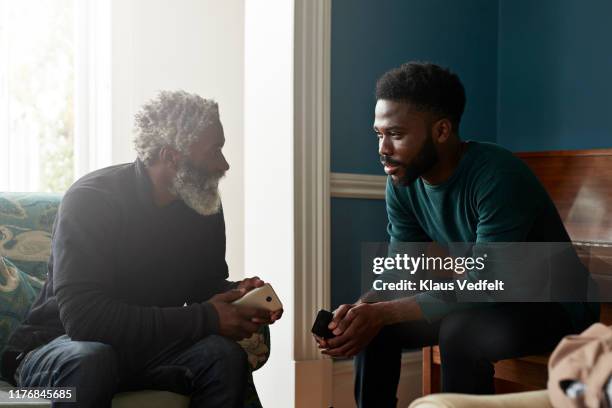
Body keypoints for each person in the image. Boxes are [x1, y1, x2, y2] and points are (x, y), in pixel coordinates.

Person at [314, 62, 599, 407]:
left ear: (442, 131)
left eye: (396, 134)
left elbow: (488, 282)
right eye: (379, 134)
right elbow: (401, 268)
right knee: (376, 327)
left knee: (461, 332)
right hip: (484, 299)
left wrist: (384, 311)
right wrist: (362, 310)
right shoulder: (403, 182)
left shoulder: (497, 174)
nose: (382, 149)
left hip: (552, 306)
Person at [0, 90, 282, 408]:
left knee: (223, 357)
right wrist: (206, 317)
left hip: (143, 349)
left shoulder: (203, 204)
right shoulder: (91, 200)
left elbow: (204, 286)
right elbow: (84, 322)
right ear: (171, 156)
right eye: (215, 150)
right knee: (91, 359)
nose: (223, 163)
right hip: (57, 347)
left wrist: (238, 295)